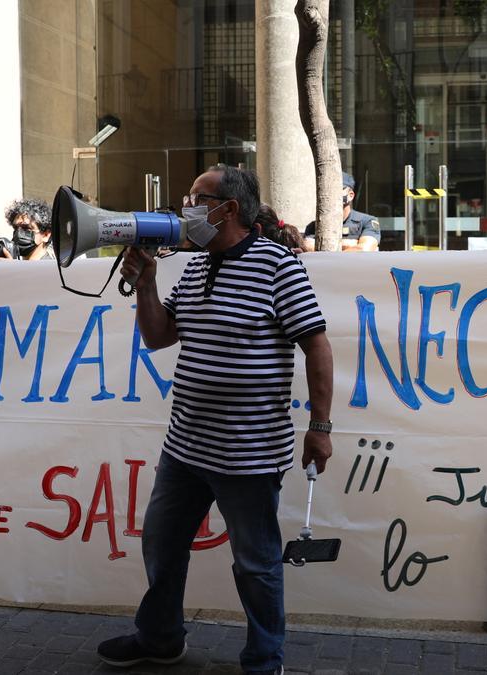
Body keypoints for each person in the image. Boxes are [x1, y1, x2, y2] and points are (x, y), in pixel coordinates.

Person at [97, 165, 334, 675]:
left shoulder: (279, 266)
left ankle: (265, 660)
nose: (187, 208)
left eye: (197, 198)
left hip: (248, 452)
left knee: (256, 564)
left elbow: (316, 344)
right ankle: (160, 638)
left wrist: (320, 426)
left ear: (228, 209)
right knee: (162, 544)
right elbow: (160, 337)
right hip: (186, 447)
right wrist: (146, 286)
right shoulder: (196, 266)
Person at [302, 172, 380, 251]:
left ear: (350, 195)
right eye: (327, 190)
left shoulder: (367, 222)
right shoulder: (314, 226)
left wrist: (325, 246)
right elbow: (308, 248)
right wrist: (350, 244)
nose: (330, 194)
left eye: (336, 190)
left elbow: (364, 249)